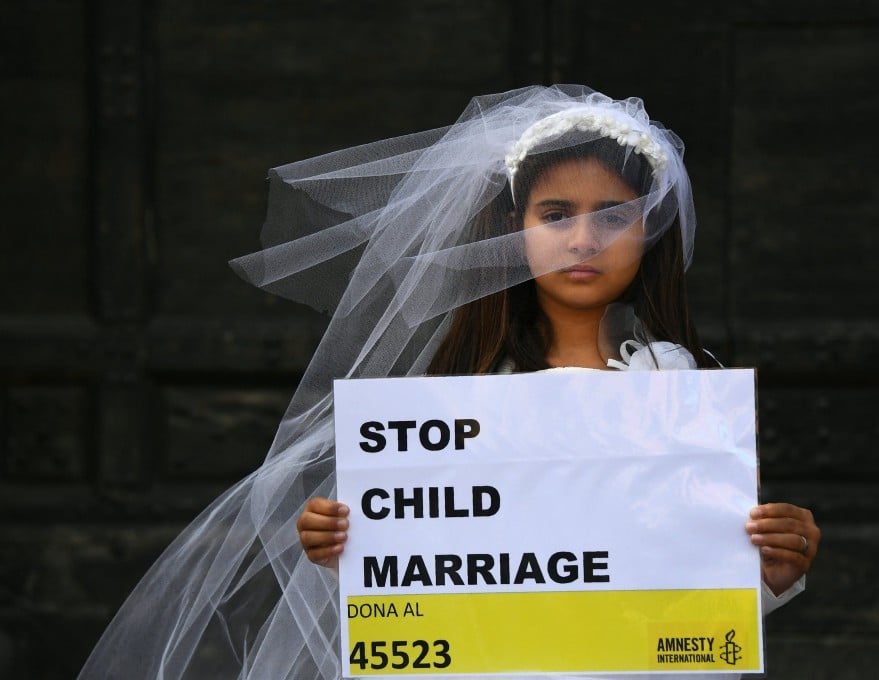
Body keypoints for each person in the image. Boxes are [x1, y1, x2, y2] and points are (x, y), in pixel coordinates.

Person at [79, 85, 819, 680]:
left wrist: (774, 570)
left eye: (615, 216)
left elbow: (696, 585)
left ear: (651, 230)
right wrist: (346, 544)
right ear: (512, 226)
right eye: (556, 214)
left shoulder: (683, 387)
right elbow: (425, 579)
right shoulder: (457, 395)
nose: (585, 240)